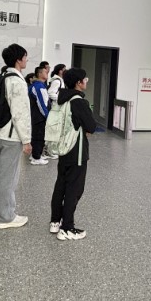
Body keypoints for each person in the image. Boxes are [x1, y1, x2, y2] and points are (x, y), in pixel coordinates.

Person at [0, 43, 32, 229]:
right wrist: (26, 140)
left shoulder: (3, 76)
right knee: (8, 177)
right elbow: (20, 113)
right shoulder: (17, 81)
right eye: (25, 57)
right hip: (11, 137)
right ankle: (6, 217)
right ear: (19, 60)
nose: (27, 60)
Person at [50, 68, 96, 240]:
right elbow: (91, 126)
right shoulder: (79, 102)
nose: (86, 82)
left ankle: (55, 221)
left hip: (63, 148)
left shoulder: (61, 99)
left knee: (61, 185)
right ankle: (67, 228)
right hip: (76, 150)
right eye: (85, 79)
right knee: (74, 188)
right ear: (78, 82)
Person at [28, 66, 49, 165]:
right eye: (45, 71)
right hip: (39, 117)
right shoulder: (38, 86)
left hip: (37, 116)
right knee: (39, 137)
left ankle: (35, 154)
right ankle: (36, 157)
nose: (47, 72)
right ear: (39, 74)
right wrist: (47, 116)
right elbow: (41, 104)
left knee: (37, 136)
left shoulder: (38, 85)